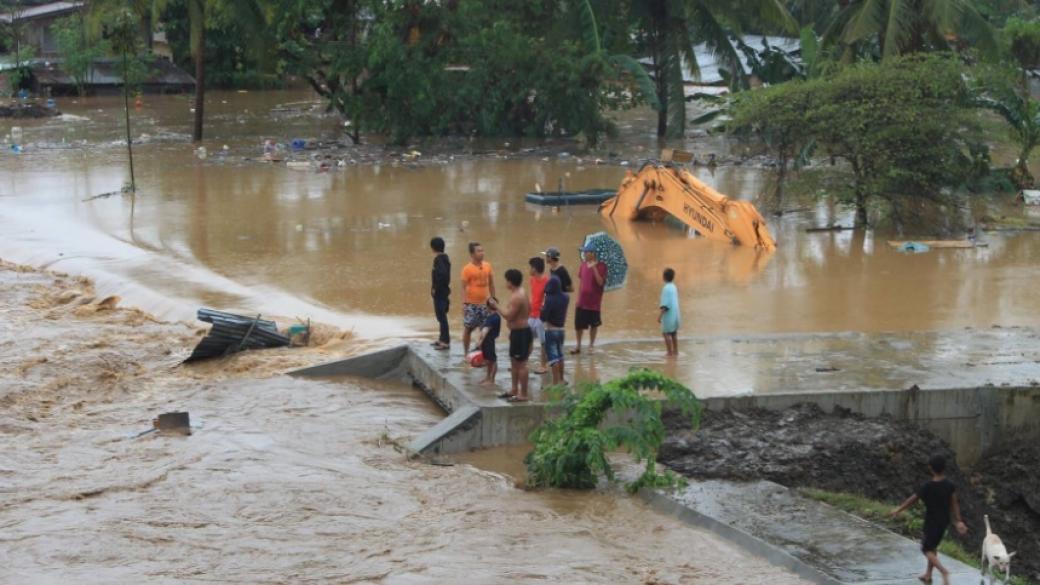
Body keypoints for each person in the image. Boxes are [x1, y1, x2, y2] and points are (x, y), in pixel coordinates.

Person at [888, 454, 968, 585]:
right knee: (933, 546)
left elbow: (912, 500)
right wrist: (959, 521)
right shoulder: (950, 485)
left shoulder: (927, 486)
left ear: (930, 468)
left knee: (926, 549)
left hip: (931, 522)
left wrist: (898, 510)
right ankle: (928, 575)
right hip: (944, 521)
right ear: (944, 468)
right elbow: (955, 503)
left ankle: (943, 571)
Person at [489, 269, 531, 402]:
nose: (505, 283)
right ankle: (514, 389)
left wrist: (496, 306)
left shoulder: (517, 296)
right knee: (514, 362)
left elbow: (508, 316)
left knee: (521, 364)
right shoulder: (519, 293)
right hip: (517, 332)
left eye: (506, 280)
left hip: (521, 333)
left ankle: (523, 394)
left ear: (510, 282)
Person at [461, 242, 495, 357]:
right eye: (479, 251)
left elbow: (491, 284)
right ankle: (466, 353)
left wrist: (493, 299)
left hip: (485, 304)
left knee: (485, 330)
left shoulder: (488, 266)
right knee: (468, 329)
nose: (482, 253)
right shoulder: (467, 269)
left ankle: (482, 352)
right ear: (472, 254)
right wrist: (464, 304)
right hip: (471, 304)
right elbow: (463, 288)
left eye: (482, 250)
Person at [571, 245, 607, 354]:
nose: (584, 254)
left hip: (594, 302)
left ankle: (591, 346)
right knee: (578, 325)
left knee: (594, 325)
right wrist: (577, 299)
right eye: (583, 252)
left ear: (592, 253)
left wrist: (594, 268)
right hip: (582, 301)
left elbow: (600, 282)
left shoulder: (602, 266)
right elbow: (581, 283)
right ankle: (578, 346)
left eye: (585, 252)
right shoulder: (582, 265)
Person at [540, 274, 569, 386]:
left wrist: (543, 306)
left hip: (551, 331)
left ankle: (555, 383)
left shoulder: (549, 300)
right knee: (561, 355)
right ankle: (561, 380)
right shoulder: (566, 297)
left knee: (553, 358)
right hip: (562, 331)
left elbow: (543, 317)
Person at [527, 257, 549, 375]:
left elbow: (548, 298)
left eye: (530, 267)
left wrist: (544, 308)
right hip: (532, 314)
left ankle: (543, 366)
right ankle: (524, 362)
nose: (529, 269)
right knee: (528, 339)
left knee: (543, 342)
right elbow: (533, 296)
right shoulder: (532, 279)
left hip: (541, 316)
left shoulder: (547, 281)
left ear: (535, 268)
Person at [430, 237, 451, 350]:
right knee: (441, 317)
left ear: (433, 248)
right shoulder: (444, 258)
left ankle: (445, 342)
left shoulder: (439, 259)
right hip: (443, 292)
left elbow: (442, 275)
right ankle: (442, 338)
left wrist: (435, 288)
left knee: (442, 317)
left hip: (440, 293)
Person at [472, 307, 501, 386]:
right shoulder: (493, 316)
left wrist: (479, 342)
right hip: (488, 340)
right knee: (488, 360)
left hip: (489, 341)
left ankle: (491, 380)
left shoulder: (493, 318)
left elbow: (485, 330)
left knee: (493, 360)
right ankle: (488, 378)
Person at [658, 268, 680, 357]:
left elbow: (665, 304)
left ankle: (669, 352)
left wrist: (660, 316)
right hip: (675, 313)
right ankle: (676, 351)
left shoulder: (666, 288)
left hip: (669, 314)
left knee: (665, 333)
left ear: (664, 277)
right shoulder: (674, 286)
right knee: (674, 333)